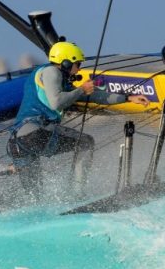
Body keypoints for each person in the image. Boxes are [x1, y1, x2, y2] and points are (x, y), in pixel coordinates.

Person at [9, 41, 149, 199]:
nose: (80, 68)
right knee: (85, 143)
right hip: (36, 133)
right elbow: (57, 102)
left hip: (18, 142)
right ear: (66, 62)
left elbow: (97, 96)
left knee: (35, 196)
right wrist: (82, 89)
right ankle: (77, 196)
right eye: (77, 64)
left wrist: (128, 97)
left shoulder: (54, 81)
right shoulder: (52, 72)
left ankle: (40, 216)